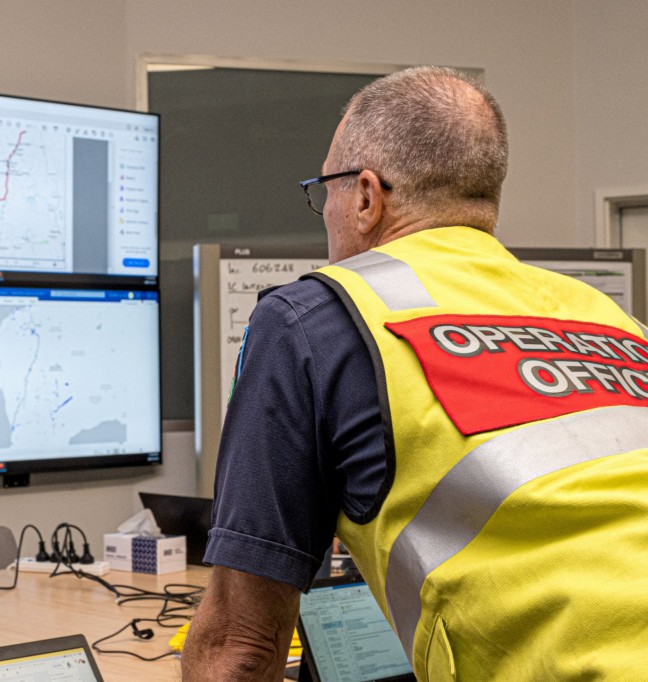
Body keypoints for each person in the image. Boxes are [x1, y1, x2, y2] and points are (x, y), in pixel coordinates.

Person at [181, 66, 648, 681]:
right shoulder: (610, 318)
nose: (326, 212)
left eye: (327, 191)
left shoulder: (314, 320)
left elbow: (240, 649)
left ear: (368, 196)